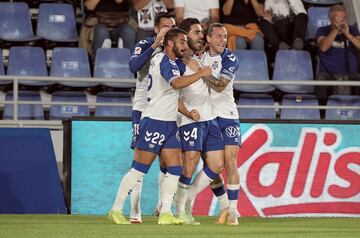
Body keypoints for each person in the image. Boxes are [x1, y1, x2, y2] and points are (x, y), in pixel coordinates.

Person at [108, 27, 212, 225]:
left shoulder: (169, 62)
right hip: (154, 122)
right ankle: (115, 209)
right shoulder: (164, 60)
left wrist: (188, 113)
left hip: (170, 124)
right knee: (138, 170)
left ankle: (165, 213)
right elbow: (177, 84)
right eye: (182, 42)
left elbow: (172, 95)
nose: (185, 45)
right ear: (170, 44)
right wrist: (202, 74)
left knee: (174, 169)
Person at [186, 23, 241, 225]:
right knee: (212, 167)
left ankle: (233, 211)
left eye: (225, 36)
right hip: (206, 117)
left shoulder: (230, 58)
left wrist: (201, 71)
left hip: (227, 116)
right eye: (218, 36)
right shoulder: (200, 56)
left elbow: (219, 86)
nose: (222, 40)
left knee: (230, 162)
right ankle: (225, 206)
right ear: (208, 39)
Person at [174, 18, 225, 225]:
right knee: (190, 164)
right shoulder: (178, 61)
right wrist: (186, 112)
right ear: (185, 36)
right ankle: (180, 210)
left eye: (201, 32)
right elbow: (171, 93)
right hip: (190, 118)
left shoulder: (200, 58)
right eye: (196, 32)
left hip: (210, 118)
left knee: (216, 165)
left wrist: (201, 69)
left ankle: (186, 198)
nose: (201, 36)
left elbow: (215, 82)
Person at [127, 11, 176, 223]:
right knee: (140, 163)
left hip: (168, 111)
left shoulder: (176, 49)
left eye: (172, 27)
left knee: (169, 162)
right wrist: (155, 45)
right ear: (156, 28)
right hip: (144, 110)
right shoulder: (145, 44)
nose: (169, 31)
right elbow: (133, 67)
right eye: (165, 27)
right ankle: (134, 211)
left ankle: (162, 207)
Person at [315, 5, 360, 105]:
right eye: (338, 18)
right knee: (320, 80)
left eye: (344, 18)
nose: (342, 21)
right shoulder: (323, 30)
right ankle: (322, 113)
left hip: (350, 73)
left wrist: (348, 35)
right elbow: (323, 47)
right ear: (331, 19)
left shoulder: (352, 30)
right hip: (329, 74)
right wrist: (335, 30)